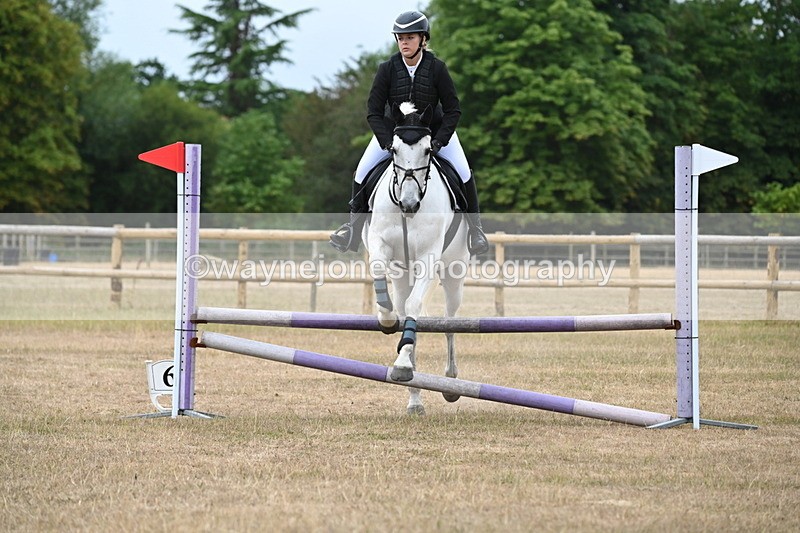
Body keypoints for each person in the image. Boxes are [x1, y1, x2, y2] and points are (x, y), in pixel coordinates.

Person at [329, 10, 489, 255]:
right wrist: (386, 142)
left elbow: (453, 110)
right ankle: (352, 230)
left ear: (423, 39)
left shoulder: (437, 68)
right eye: (400, 38)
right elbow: (373, 111)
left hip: (433, 133)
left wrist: (439, 141)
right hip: (395, 136)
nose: (404, 42)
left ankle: (475, 230)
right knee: (361, 172)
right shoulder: (387, 69)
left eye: (410, 37)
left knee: (464, 172)